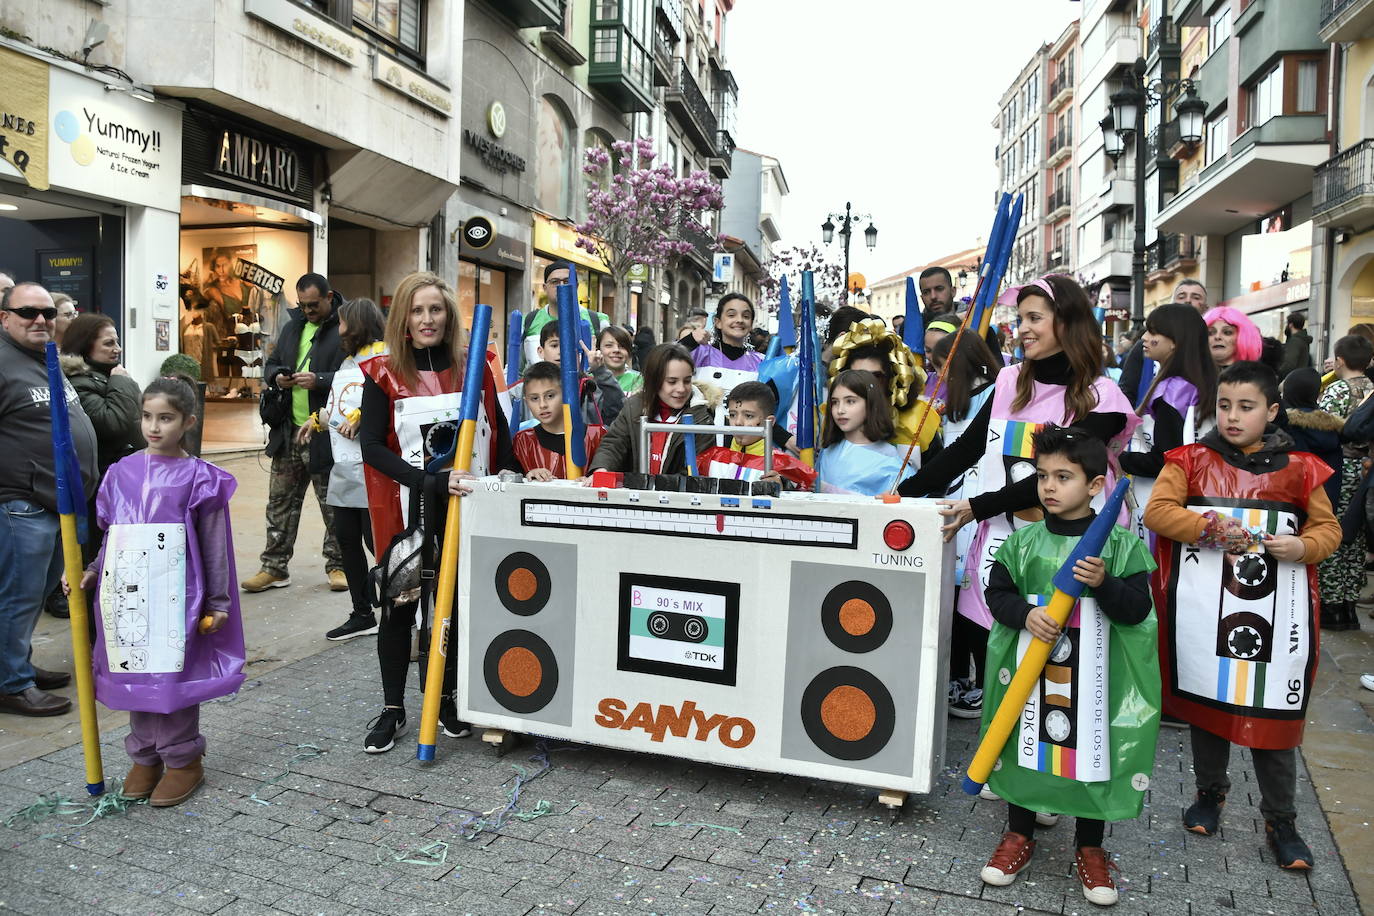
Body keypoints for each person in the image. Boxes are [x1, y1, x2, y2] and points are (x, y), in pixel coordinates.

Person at [897, 275, 1139, 724]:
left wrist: (976, 506)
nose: (1023, 328)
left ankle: (1062, 759)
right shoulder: (1009, 380)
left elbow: (1057, 477)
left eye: (1034, 318)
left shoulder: (1101, 398)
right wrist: (899, 492)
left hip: (1073, 547)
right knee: (1000, 649)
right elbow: (965, 450)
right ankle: (1003, 758)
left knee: (1065, 656)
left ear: (1066, 323)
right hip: (1006, 543)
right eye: (1019, 317)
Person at [1143, 361, 1341, 871]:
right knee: (1211, 700)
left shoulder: (1300, 468)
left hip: (1279, 616)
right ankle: (1210, 794)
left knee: (1275, 717)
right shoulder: (1189, 460)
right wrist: (1208, 527)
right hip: (1208, 610)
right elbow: (1158, 512)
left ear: (1272, 411)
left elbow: (1329, 531)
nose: (1232, 417)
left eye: (1246, 407)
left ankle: (1282, 820)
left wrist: (1301, 545)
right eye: (1224, 405)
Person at [977, 427, 1158, 906]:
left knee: (1090, 751)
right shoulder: (1022, 542)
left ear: (1096, 485)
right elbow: (996, 595)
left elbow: (1138, 609)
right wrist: (1025, 614)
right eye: (1042, 477)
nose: (1049, 487)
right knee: (1022, 741)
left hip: (1093, 681)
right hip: (1030, 675)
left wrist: (1103, 583)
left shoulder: (1119, 547)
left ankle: (1091, 847)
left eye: (1064, 476)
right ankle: (1019, 834)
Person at [359, 272, 519, 752]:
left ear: (449, 315)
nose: (427, 319)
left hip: (469, 509)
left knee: (452, 608)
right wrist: (429, 482)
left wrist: (518, 474)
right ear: (402, 318)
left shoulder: (478, 366)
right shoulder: (382, 373)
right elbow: (371, 447)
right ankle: (393, 708)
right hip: (408, 509)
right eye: (417, 310)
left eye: (436, 309)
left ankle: (446, 698)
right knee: (400, 607)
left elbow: (501, 434)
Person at [77, 375, 243, 806]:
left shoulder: (198, 478)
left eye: (166, 418)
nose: (154, 427)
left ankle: (182, 758)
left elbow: (214, 544)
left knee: (171, 675)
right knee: (135, 670)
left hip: (176, 598)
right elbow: (113, 533)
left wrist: (219, 599)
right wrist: (95, 568)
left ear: (187, 421)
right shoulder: (120, 473)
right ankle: (145, 755)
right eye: (147, 417)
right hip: (129, 594)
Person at [0, 282, 98, 717]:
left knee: (35, 597)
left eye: (47, 312)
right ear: (5, 317)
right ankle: (10, 684)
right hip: (22, 505)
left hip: (59, 506)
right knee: (17, 599)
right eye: (27, 312)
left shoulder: (46, 358)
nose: (40, 320)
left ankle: (16, 664)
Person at [241, 273, 346, 594]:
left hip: (325, 433)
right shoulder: (292, 327)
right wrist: (278, 377)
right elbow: (270, 363)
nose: (308, 311)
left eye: (313, 305)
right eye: (302, 305)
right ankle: (274, 567)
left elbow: (359, 375)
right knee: (279, 504)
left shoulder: (345, 328)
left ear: (329, 296)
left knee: (333, 506)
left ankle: (339, 564)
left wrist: (321, 380)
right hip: (288, 432)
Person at [926, 330, 1003, 717]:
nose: (938, 375)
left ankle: (988, 682)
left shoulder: (993, 394)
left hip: (975, 507)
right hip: (952, 503)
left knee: (977, 602)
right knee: (954, 601)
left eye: (943, 367)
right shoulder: (953, 399)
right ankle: (957, 679)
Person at [301, 297, 388, 642]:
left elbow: (393, 402)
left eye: (342, 323)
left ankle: (402, 613)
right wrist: (316, 421)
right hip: (345, 467)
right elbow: (339, 407)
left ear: (357, 324)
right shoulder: (350, 361)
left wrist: (365, 417)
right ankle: (362, 612)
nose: (338, 330)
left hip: (373, 469)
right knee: (348, 541)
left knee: (378, 543)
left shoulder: (385, 359)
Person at [1120, 304, 1216, 532]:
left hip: (1162, 501)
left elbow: (1163, 459)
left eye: (1153, 332)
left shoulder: (1173, 391)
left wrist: (1118, 459)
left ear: (1175, 341)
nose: (1144, 338)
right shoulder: (1202, 384)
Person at [1314, 335, 1374, 630]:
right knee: (1356, 535)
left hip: (1339, 467)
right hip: (1366, 469)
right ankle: (1350, 601)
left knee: (1332, 530)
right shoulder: (1372, 388)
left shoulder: (1335, 389)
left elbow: (1324, 430)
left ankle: (1332, 604)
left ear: (1339, 361)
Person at [589, 343, 718, 475]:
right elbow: (614, 444)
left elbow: (698, 470)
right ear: (654, 381)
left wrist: (660, 490)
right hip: (636, 494)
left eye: (687, 381)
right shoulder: (634, 407)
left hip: (676, 494)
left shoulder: (701, 419)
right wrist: (601, 470)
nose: (681, 389)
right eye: (672, 382)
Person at [695, 380, 817, 489]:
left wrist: (783, 487)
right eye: (733, 414)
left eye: (748, 416)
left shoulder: (784, 465)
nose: (738, 423)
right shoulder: (710, 457)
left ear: (770, 422)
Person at [814, 369, 912, 496]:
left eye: (850, 401)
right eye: (835, 402)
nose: (840, 410)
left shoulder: (890, 461)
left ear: (870, 404)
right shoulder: (827, 452)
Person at [513, 360, 607, 480]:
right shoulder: (523, 441)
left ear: (566, 395)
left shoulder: (597, 436)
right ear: (526, 402)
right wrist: (529, 475)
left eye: (550, 396)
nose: (542, 405)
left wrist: (595, 479)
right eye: (535, 398)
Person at [1118, 279, 1210, 401]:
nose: (1188, 300)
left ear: (1206, 307)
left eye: (1196, 297)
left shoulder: (1210, 346)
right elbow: (1126, 392)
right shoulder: (1144, 347)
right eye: (1181, 296)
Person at [533, 322, 625, 426]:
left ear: (578, 352)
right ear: (541, 351)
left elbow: (618, 411)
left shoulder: (590, 388)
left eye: (569, 346)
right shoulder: (525, 388)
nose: (562, 351)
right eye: (554, 345)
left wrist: (600, 370)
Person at [522, 262, 610, 369]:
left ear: (576, 286)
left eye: (567, 281)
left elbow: (609, 365)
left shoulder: (598, 320)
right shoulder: (529, 321)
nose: (562, 286)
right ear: (545, 287)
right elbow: (518, 368)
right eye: (555, 282)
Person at [679, 292, 764, 395]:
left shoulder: (762, 362)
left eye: (746, 316)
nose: (739, 320)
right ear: (717, 322)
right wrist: (690, 340)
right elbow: (663, 361)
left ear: (751, 325)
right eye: (731, 315)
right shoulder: (699, 354)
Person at [1203, 306, 1262, 371]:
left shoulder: (1256, 377)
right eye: (1210, 333)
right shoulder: (1193, 374)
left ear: (1242, 338)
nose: (1217, 337)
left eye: (1227, 332)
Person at [597, 325, 643, 395]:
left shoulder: (639, 381)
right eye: (609, 345)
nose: (616, 350)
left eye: (622, 346)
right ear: (598, 349)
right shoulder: (588, 379)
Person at [1279, 312, 1314, 378]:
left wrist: (1278, 373)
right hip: (1299, 378)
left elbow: (1289, 364)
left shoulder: (1295, 341)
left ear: (1291, 325)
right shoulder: (1303, 339)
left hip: (1291, 380)